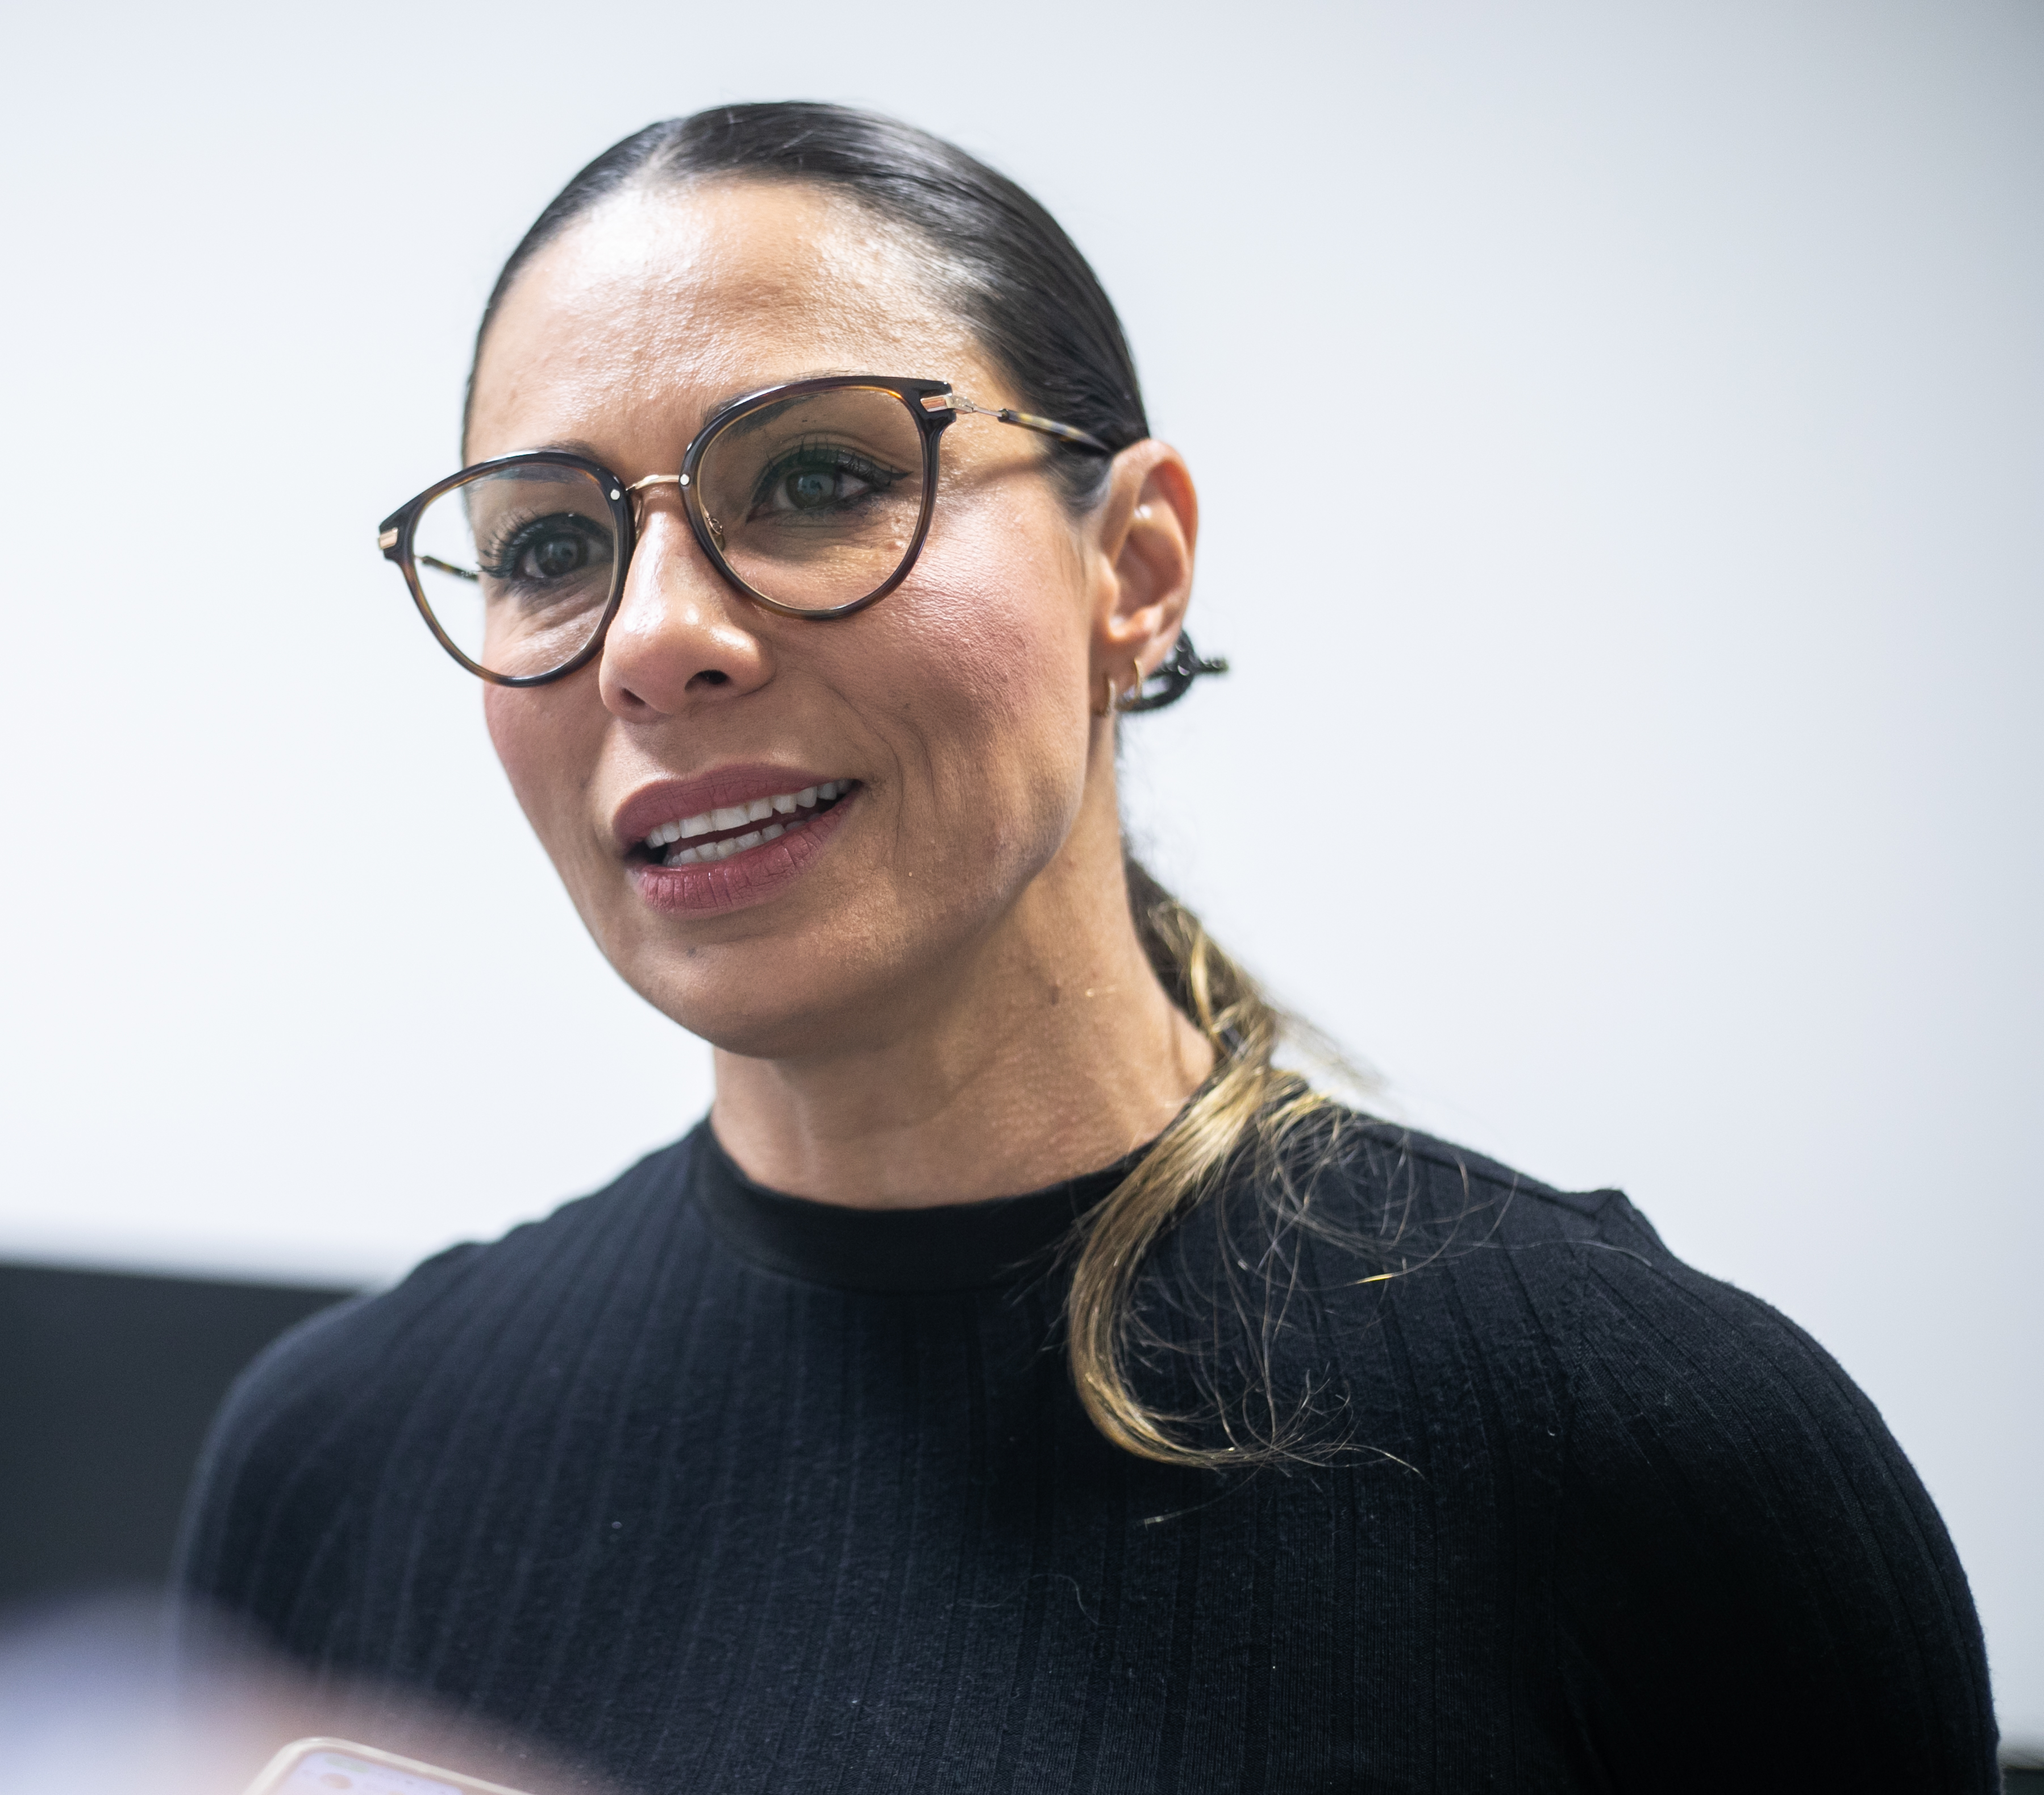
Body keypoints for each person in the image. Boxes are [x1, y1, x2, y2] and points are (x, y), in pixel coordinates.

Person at [177, 103, 1995, 1790]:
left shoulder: (1645, 1451)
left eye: (815, 478)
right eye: (548, 547)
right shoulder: (342, 1464)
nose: (654, 639)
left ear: (1134, 566)